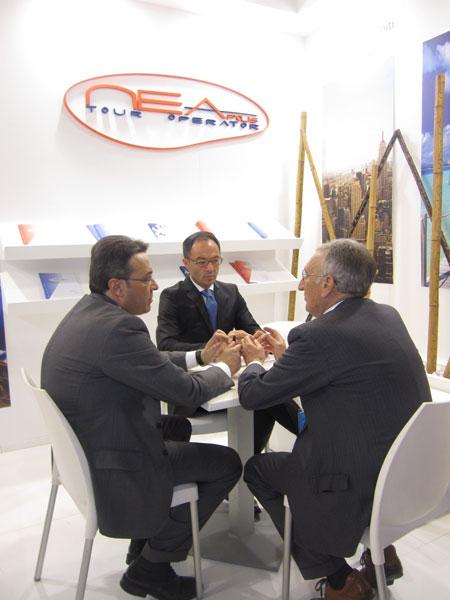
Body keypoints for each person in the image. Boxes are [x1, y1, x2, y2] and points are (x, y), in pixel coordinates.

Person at [41, 235, 243, 600]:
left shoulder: (89, 313)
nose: (155, 286)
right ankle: (152, 567)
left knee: (177, 426)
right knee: (227, 463)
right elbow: (186, 392)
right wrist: (226, 369)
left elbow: (148, 362)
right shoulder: (120, 328)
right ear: (117, 286)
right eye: (146, 278)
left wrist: (200, 357)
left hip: (92, 447)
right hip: (116, 463)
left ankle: (147, 537)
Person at [238, 239, 432, 600]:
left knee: (257, 470)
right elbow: (344, 375)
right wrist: (288, 357)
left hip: (354, 483)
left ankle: (338, 579)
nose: (300, 285)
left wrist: (252, 361)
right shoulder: (386, 315)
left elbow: (252, 396)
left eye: (306, 276)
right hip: (407, 478)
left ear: (327, 284)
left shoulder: (318, 335)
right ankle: (383, 552)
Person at [156, 230, 299, 454]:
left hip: (233, 382)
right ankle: (308, 434)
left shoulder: (229, 291)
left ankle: (250, 460)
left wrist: (256, 338)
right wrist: (212, 350)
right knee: (264, 394)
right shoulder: (172, 297)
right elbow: (165, 346)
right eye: (202, 262)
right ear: (186, 263)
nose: (210, 268)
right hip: (196, 389)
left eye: (215, 261)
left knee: (267, 395)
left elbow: (252, 327)